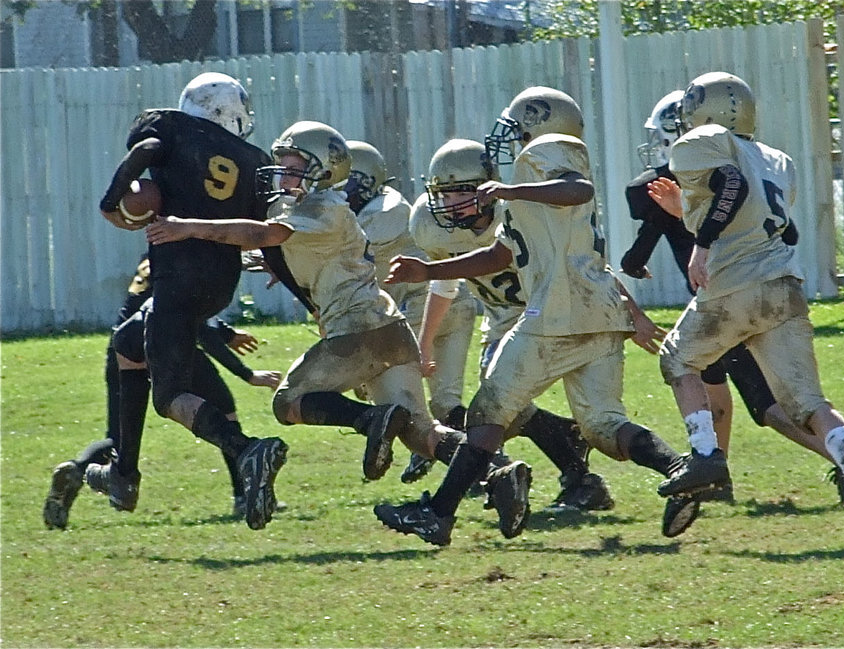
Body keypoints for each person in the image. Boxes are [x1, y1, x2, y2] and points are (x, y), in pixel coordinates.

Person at [376, 87, 707, 546]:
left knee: (488, 409)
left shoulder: (548, 155)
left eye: (518, 127)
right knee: (603, 426)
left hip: (554, 315)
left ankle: (437, 513)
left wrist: (513, 188)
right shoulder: (524, 189)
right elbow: (501, 253)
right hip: (596, 314)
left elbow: (578, 188)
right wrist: (430, 269)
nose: (511, 139)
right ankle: (682, 469)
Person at [143, 120, 514, 529]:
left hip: (359, 331)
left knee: (287, 403)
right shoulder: (316, 208)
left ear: (323, 168)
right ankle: (501, 474)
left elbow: (261, 232)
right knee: (422, 434)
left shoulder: (322, 206)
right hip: (389, 329)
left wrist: (186, 227)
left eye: (292, 164)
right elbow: (293, 248)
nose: (282, 173)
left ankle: (369, 419)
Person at [655, 71, 844, 546]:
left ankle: (705, 455)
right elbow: (787, 231)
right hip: (783, 285)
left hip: (734, 284)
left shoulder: (706, 142)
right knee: (808, 403)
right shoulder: (774, 158)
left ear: (706, 112)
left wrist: (701, 245)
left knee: (677, 358)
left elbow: (729, 188)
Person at [96, 72, 289, 530]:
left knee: (168, 398)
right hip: (220, 281)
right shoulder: (251, 158)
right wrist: (291, 281)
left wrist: (110, 202)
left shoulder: (172, 129)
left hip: (179, 279)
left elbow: (144, 153)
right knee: (127, 344)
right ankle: (124, 473)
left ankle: (246, 450)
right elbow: (264, 233)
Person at [406, 137, 613, 512]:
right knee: (500, 403)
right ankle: (569, 457)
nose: (449, 204)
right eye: (443, 194)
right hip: (501, 318)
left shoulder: (521, 210)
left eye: (459, 193)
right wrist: (425, 340)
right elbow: (445, 282)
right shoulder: (429, 223)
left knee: (498, 401)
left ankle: (568, 469)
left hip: (547, 310)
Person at [43, 258, 280, 528]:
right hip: (164, 345)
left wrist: (224, 332)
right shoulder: (187, 255)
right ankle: (245, 494)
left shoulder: (161, 251)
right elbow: (189, 319)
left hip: (122, 347)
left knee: (120, 441)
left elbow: (172, 306)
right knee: (223, 409)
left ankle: (78, 468)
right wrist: (246, 374)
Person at [343, 139, 477, 482]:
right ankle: (478, 462)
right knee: (446, 402)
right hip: (453, 302)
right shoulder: (381, 207)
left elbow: (349, 254)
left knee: (385, 386)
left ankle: (425, 446)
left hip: (424, 306)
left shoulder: (384, 210)